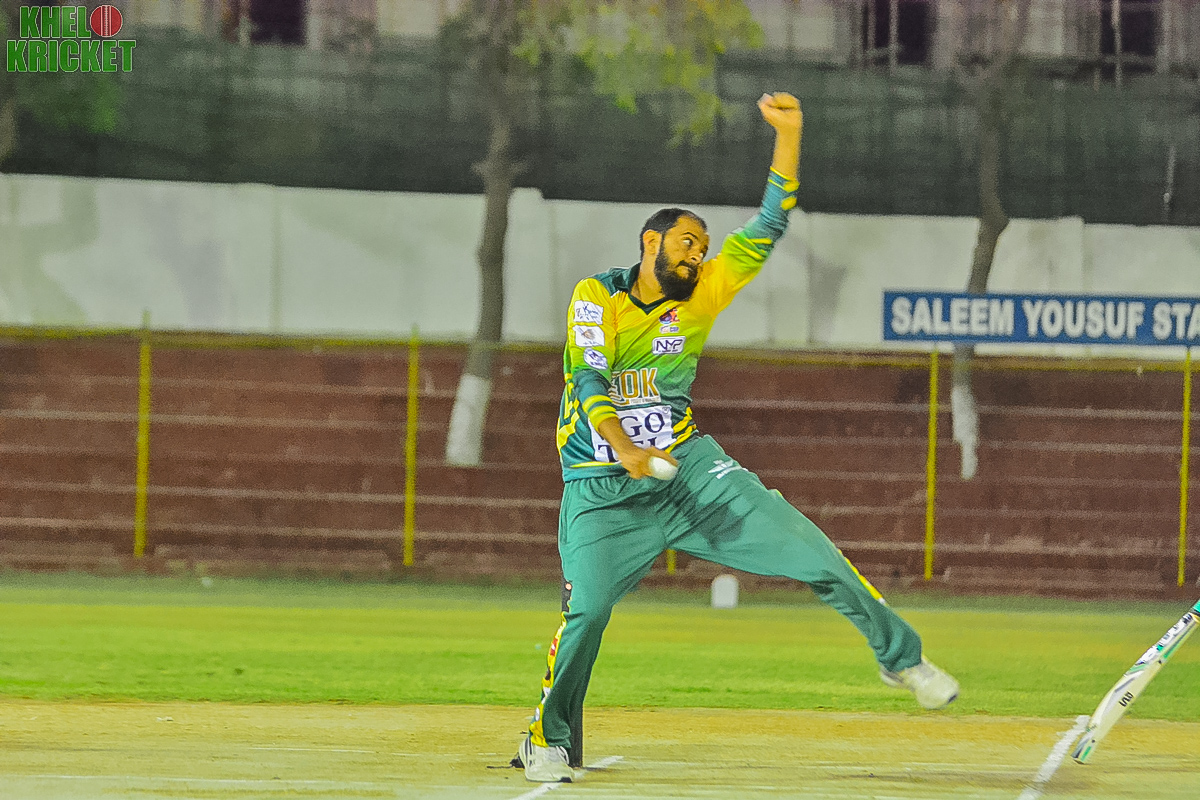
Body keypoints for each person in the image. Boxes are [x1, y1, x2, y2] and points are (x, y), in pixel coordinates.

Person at [516, 92, 959, 783]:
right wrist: (624, 449)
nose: (698, 256)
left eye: (703, 248)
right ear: (650, 243)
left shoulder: (706, 290)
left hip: (690, 474)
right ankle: (547, 739)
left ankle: (899, 658)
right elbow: (588, 377)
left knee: (810, 549)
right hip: (603, 490)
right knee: (589, 611)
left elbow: (771, 221)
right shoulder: (596, 295)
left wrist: (790, 135)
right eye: (686, 243)